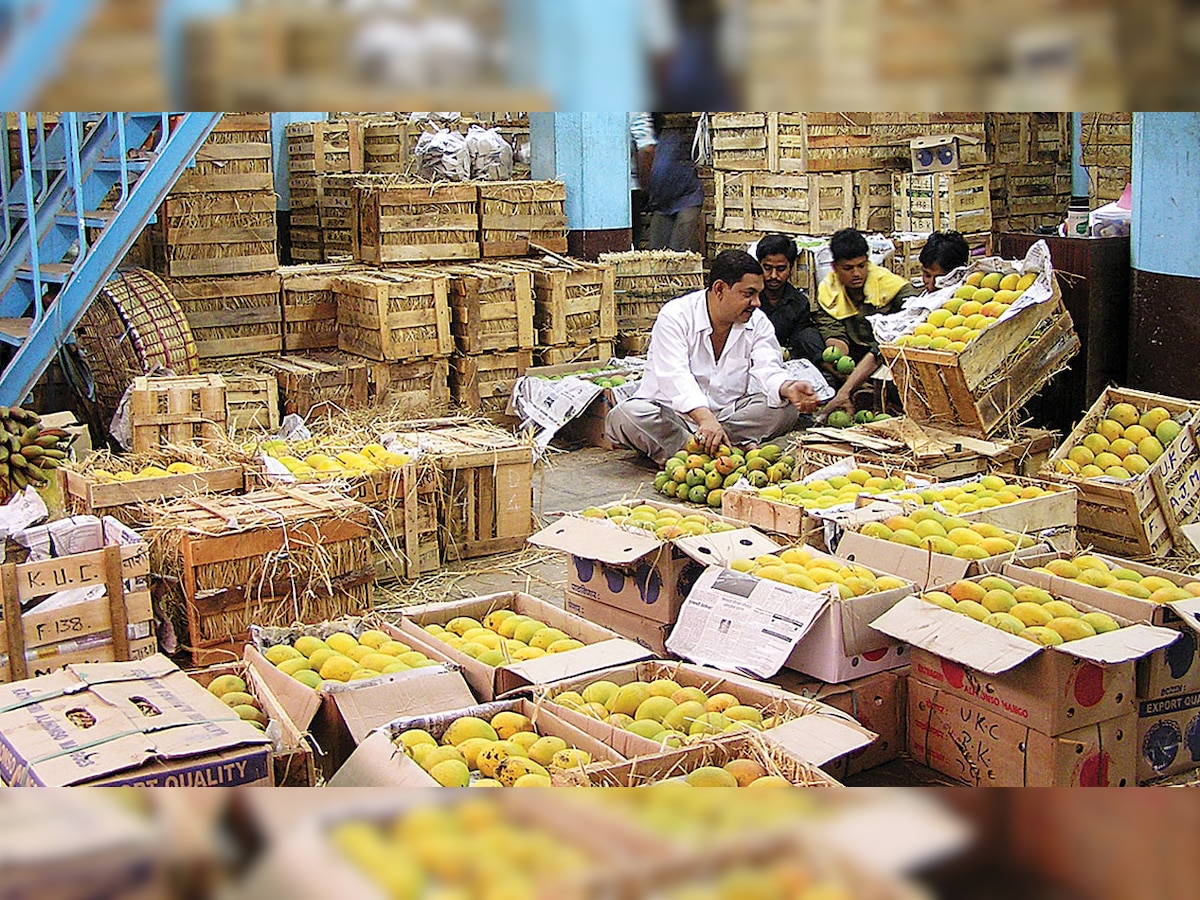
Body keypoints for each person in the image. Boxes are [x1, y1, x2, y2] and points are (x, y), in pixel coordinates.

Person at [605, 250, 821, 466]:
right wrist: (705, 419)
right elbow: (674, 376)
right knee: (626, 415)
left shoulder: (758, 322)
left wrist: (787, 386)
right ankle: (716, 448)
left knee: (784, 408)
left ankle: (698, 449)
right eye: (749, 294)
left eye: (758, 294)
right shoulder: (676, 316)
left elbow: (768, 367)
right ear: (719, 289)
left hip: (728, 417)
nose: (757, 303)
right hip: (673, 416)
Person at [815, 228, 918, 418]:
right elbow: (834, 334)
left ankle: (852, 391)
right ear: (835, 267)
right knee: (809, 340)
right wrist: (838, 359)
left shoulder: (891, 285)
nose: (856, 273)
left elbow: (912, 316)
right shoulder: (828, 291)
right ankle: (859, 386)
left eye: (861, 266)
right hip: (853, 358)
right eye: (848, 268)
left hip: (885, 352)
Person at [755, 233, 824, 365]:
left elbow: (800, 342)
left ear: (791, 268)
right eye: (767, 268)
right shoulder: (749, 299)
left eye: (781, 269)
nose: (773, 276)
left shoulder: (799, 303)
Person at [641, 113, 704, 253]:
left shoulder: (674, 139)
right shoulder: (649, 142)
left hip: (687, 199)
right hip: (661, 204)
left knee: (678, 254)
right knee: (656, 253)